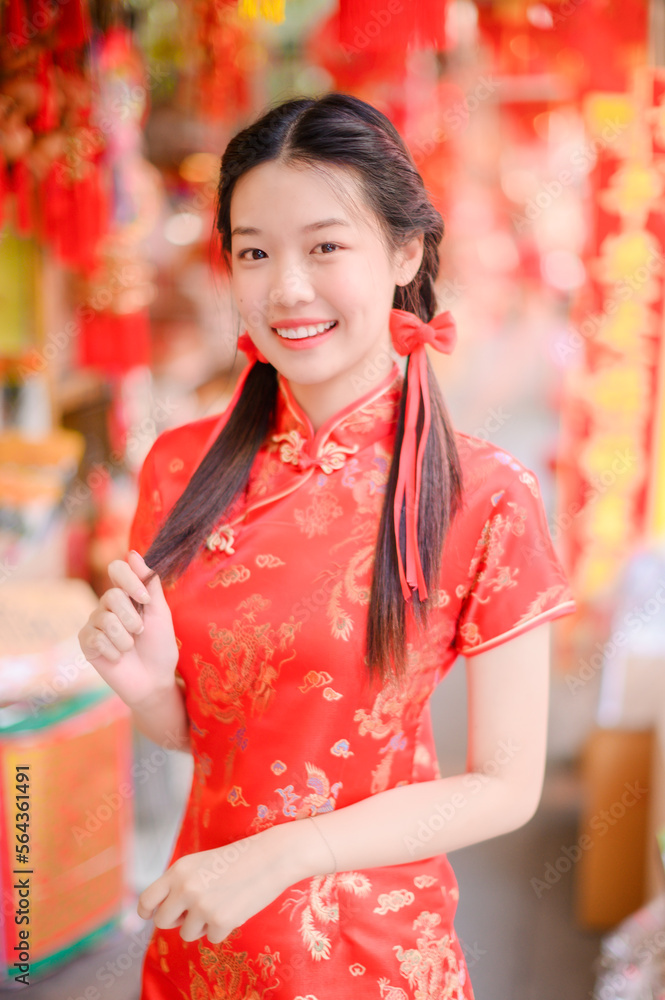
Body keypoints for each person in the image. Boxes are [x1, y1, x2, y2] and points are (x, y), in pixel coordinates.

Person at [78, 92, 577, 1000]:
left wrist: (286, 856)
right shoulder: (180, 470)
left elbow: (506, 786)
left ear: (405, 252)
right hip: (202, 942)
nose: (287, 288)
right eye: (253, 251)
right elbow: (213, 739)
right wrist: (148, 684)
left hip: (368, 954)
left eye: (324, 247)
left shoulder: (482, 492)